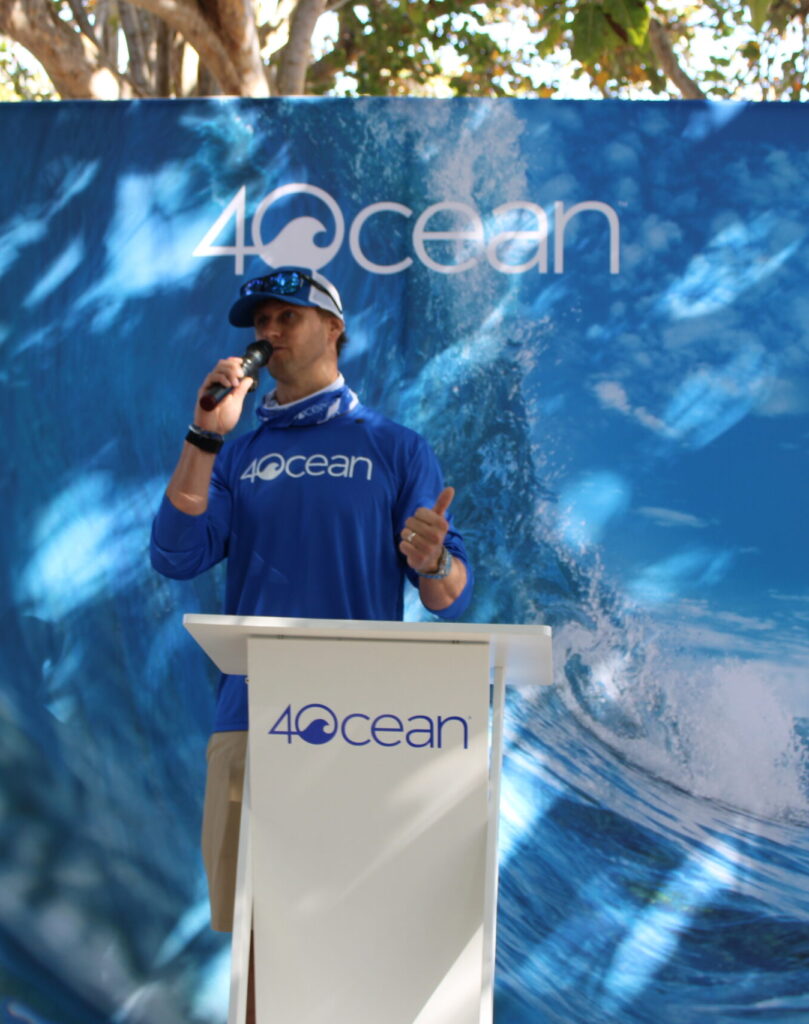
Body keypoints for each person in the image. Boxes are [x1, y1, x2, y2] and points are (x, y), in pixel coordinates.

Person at [150, 266, 474, 943]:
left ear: (334, 327)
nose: (268, 332)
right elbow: (176, 555)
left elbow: (447, 597)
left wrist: (432, 559)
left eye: (286, 317)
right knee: (255, 940)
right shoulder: (238, 456)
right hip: (248, 715)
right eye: (260, 322)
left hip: (365, 725)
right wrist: (204, 434)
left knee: (350, 942)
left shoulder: (395, 447)